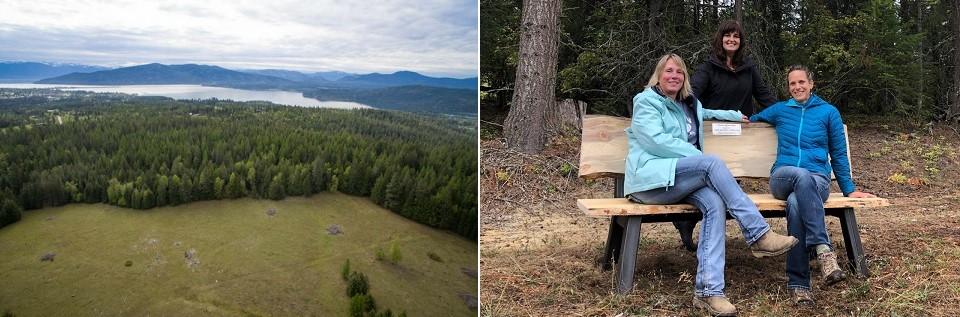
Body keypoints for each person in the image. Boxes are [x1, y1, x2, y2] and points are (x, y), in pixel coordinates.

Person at [625, 53, 798, 316]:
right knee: (712, 164)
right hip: (650, 181)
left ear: (685, 78)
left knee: (715, 203)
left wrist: (734, 115)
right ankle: (758, 233)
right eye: (669, 71)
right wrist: (700, 158)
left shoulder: (688, 104)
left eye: (680, 72)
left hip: (678, 179)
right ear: (658, 75)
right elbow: (655, 142)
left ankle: (708, 292)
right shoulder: (646, 101)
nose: (674, 76)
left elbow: (707, 112)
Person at [748, 65, 877, 306]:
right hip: (783, 177)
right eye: (792, 84)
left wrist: (848, 189)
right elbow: (751, 120)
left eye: (801, 82)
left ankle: (799, 286)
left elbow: (838, 154)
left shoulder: (828, 112)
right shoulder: (780, 110)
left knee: (797, 203)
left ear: (811, 83)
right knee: (800, 176)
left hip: (817, 179)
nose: (797, 87)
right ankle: (823, 249)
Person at [672, 20, 779, 252]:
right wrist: (718, 116)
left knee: (726, 188)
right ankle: (688, 222)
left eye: (736, 36)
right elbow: (691, 97)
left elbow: (765, 96)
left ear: (741, 42)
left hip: (740, 139)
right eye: (727, 35)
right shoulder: (708, 67)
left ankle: (693, 224)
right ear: (720, 39)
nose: (732, 39)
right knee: (713, 186)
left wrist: (783, 114)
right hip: (713, 136)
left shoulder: (749, 68)